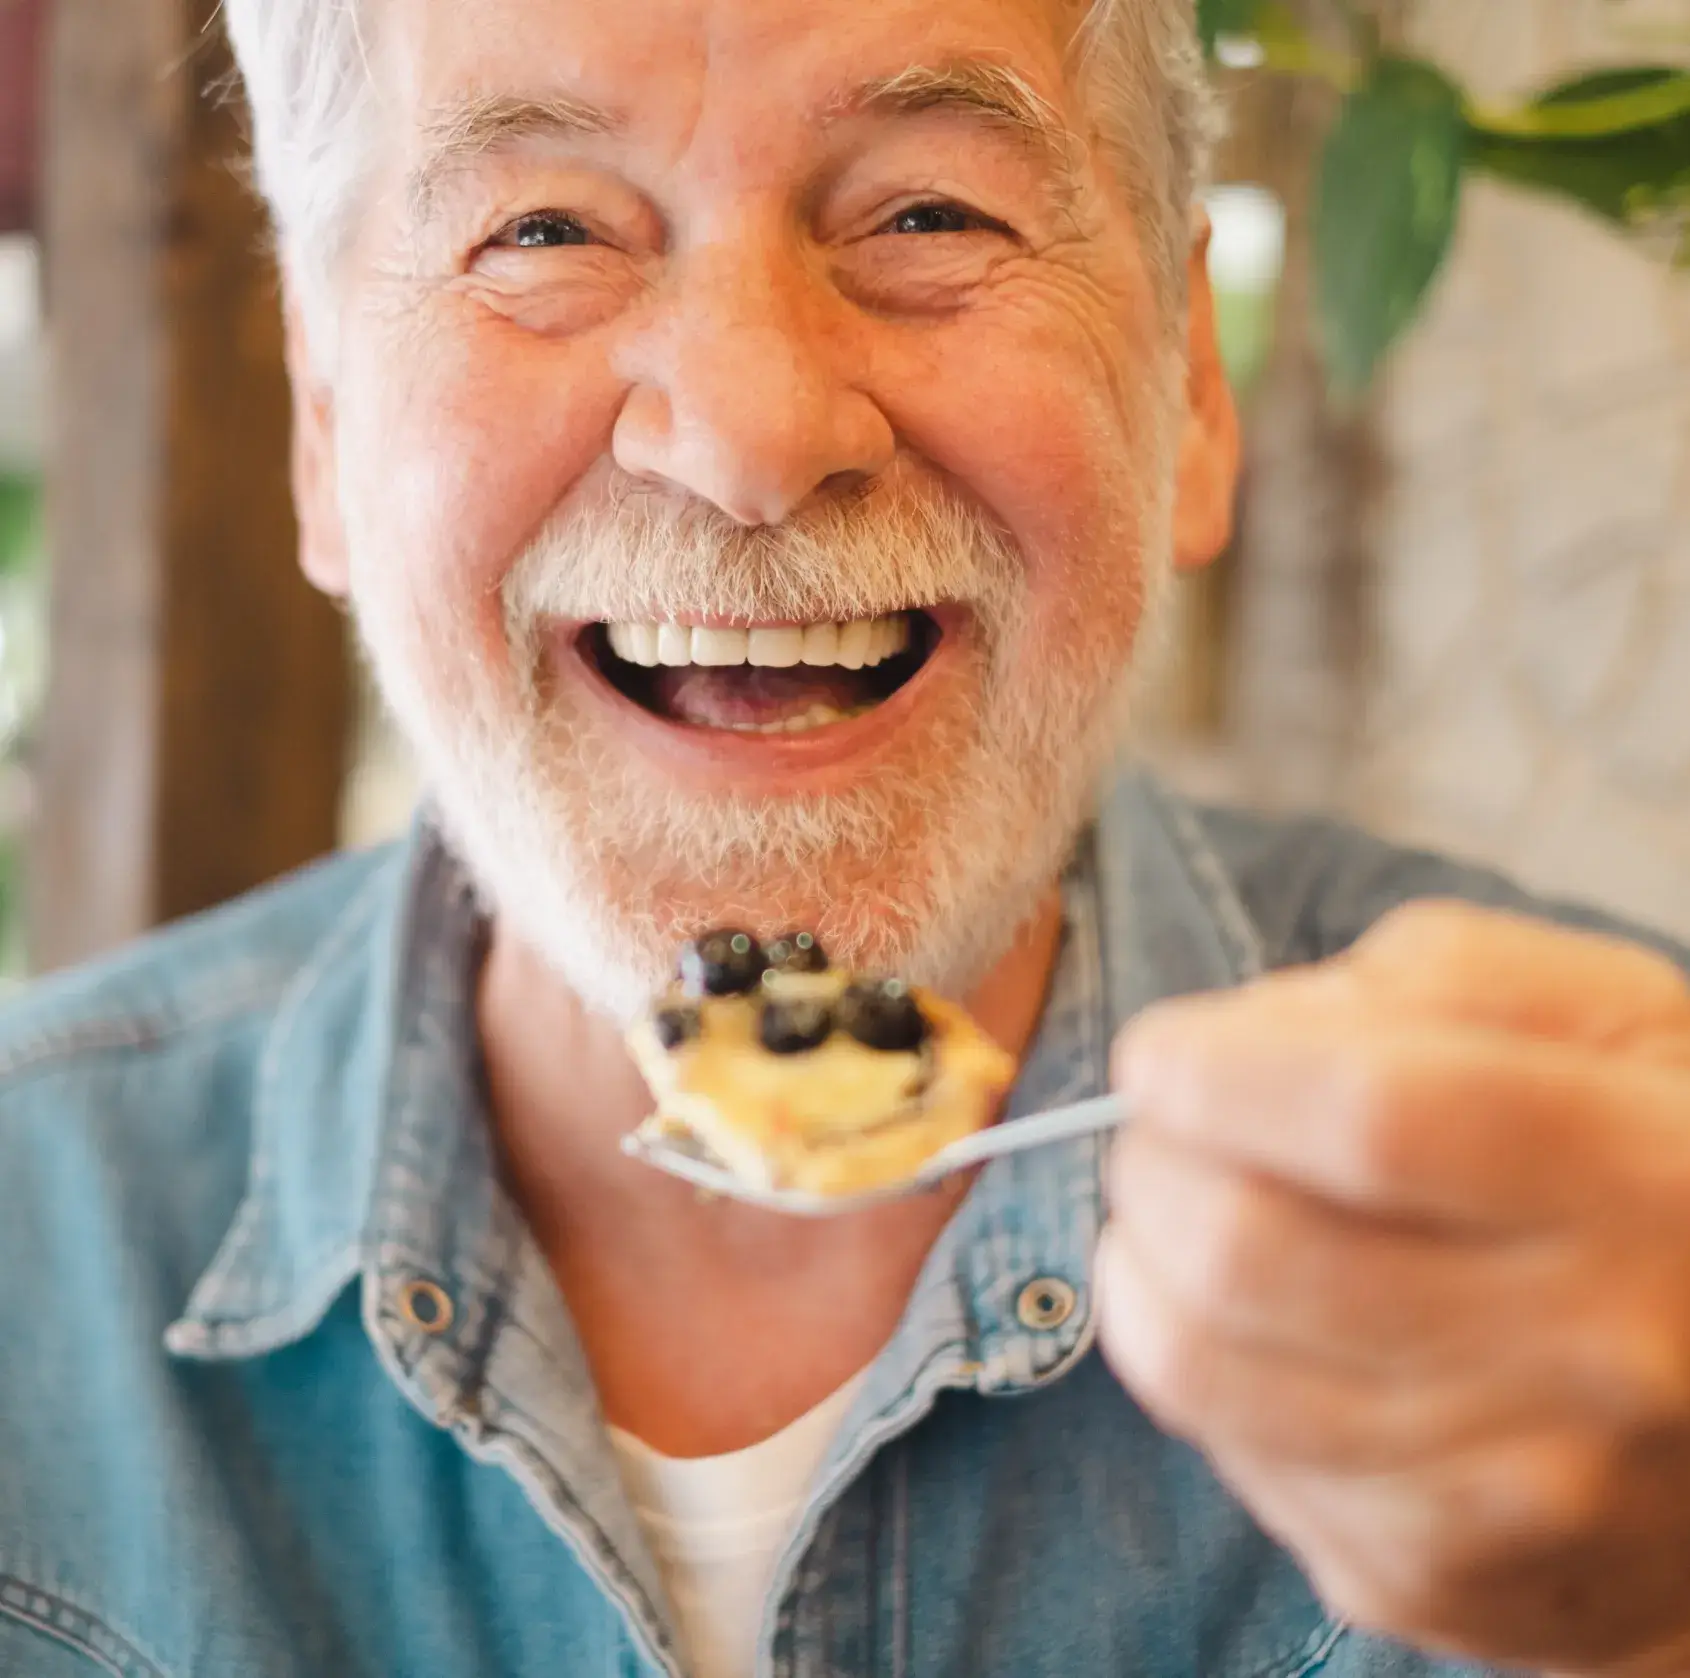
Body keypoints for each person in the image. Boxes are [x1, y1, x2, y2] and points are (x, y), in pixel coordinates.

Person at [3, 0, 1689, 1673]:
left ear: (1188, 389)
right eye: (543, 229)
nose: (751, 437)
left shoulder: (1632, 1191)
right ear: (323, 426)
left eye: (929, 213)